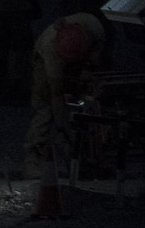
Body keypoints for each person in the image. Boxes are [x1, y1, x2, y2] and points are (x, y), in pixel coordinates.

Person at [23, 11, 107, 178]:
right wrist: (61, 122)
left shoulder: (93, 26)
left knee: (90, 100)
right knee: (45, 109)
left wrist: (87, 69)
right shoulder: (51, 50)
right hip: (46, 63)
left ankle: (88, 155)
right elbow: (56, 93)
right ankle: (32, 160)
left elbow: (99, 49)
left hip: (83, 58)